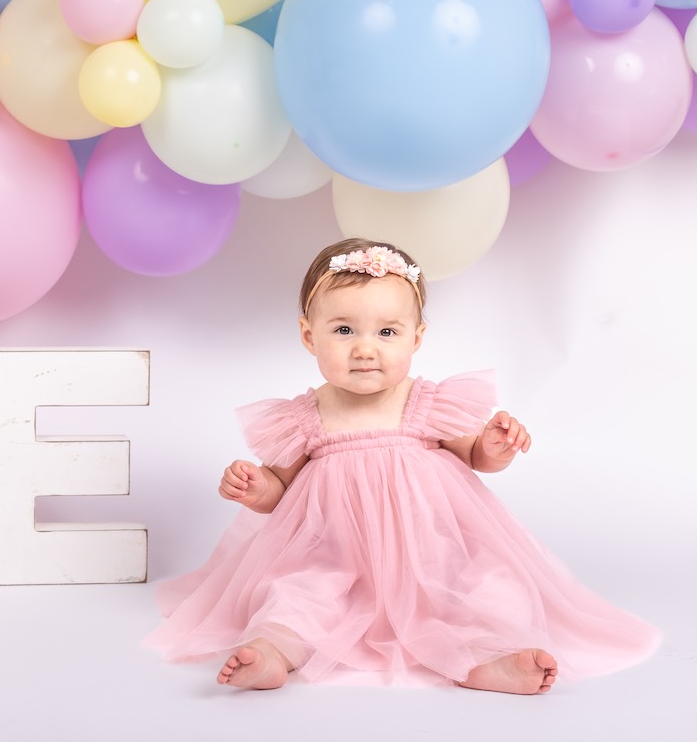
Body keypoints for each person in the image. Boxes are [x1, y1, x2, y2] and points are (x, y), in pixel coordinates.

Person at [144, 238, 660, 693]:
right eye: (344, 329)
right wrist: (255, 485)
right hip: (332, 555)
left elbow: (475, 456)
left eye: (387, 333)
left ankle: (486, 659)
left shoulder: (429, 402)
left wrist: (496, 447)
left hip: (432, 552)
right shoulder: (305, 416)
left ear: (416, 338)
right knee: (297, 595)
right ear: (309, 336)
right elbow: (281, 490)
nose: (365, 349)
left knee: (486, 590)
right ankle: (273, 653)